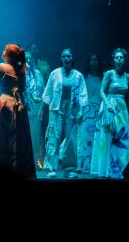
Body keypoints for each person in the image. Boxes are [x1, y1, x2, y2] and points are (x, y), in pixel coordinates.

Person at [0, 44, 35, 178]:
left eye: (5, 50)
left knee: (3, 138)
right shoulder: (22, 69)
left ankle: (0, 170)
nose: (2, 51)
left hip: (5, 105)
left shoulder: (2, 68)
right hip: (19, 106)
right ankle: (18, 169)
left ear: (8, 55)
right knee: (18, 138)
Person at [42, 48, 87, 178]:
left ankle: (69, 169)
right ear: (61, 59)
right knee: (54, 137)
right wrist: (42, 109)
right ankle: (52, 168)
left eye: (68, 56)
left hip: (72, 109)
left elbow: (83, 94)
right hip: (56, 109)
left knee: (71, 139)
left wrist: (82, 110)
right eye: (64, 56)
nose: (66, 58)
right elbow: (48, 92)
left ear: (72, 58)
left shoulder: (78, 75)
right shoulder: (55, 74)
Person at [91, 48, 129, 179]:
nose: (119, 59)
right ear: (113, 60)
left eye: (121, 57)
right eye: (117, 57)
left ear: (125, 60)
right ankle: (108, 169)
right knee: (110, 137)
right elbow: (102, 91)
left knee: (124, 138)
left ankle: (124, 167)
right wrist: (108, 105)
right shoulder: (109, 74)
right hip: (110, 106)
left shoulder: (128, 77)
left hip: (122, 109)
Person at [77, 53, 102, 173]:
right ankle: (83, 165)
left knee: (97, 137)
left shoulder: (103, 76)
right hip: (87, 110)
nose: (94, 62)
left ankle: (95, 165)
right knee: (85, 137)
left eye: (96, 60)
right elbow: (81, 95)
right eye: (91, 60)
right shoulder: (84, 77)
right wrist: (81, 111)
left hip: (99, 110)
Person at [24, 51, 44, 169]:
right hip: (23, 107)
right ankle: (23, 160)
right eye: (26, 59)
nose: (29, 60)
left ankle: (35, 161)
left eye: (30, 58)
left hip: (36, 108)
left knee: (35, 135)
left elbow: (42, 91)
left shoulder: (37, 73)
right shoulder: (19, 74)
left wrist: (42, 107)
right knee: (23, 135)